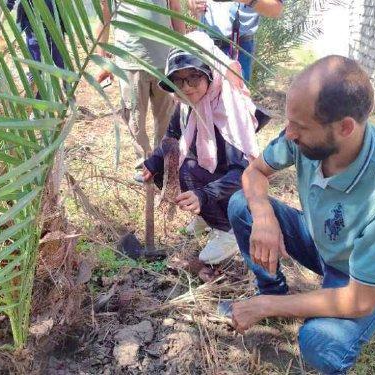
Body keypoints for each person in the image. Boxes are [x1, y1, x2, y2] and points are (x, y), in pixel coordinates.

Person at [227, 55, 375, 373]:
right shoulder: (304, 137)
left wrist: (264, 308)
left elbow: (359, 301)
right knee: (242, 205)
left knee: (320, 342)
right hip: (321, 240)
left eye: (300, 127)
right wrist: (263, 217)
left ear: (345, 128)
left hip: (360, 279)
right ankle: (272, 291)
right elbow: (254, 173)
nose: (288, 133)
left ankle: (271, 304)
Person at [143, 31, 270, 265]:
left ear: (210, 74)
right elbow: (172, 137)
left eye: (193, 77)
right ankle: (206, 217)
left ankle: (229, 230)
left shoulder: (228, 108)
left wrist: (204, 194)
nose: (187, 88)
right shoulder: (185, 103)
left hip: (236, 185)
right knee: (167, 166)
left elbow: (243, 171)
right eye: (178, 80)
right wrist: (152, 163)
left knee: (187, 171)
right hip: (213, 173)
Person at [95, 0, 185, 180]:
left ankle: (163, 161)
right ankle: (143, 162)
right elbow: (104, 13)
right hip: (130, 61)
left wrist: (180, 50)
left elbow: (175, 9)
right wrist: (102, 57)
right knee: (134, 117)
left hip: (163, 61)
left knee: (166, 116)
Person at [188, 0, 283, 81]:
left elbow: (276, 9)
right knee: (199, 98)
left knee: (235, 98)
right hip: (204, 44)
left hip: (238, 48)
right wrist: (193, 4)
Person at [6, 0, 65, 72]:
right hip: (32, 24)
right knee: (35, 55)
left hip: (53, 22)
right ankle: (36, 76)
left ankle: (66, 79)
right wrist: (8, 5)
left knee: (58, 56)